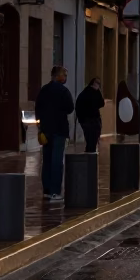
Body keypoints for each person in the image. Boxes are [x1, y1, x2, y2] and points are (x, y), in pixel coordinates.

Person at [35, 66, 74, 201]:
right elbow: (70, 108)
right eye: (65, 75)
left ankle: (46, 190)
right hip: (59, 130)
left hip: (46, 130)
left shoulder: (43, 90)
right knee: (57, 161)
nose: (66, 78)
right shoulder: (63, 91)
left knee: (47, 160)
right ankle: (55, 192)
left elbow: (37, 109)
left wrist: (40, 127)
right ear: (58, 76)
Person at [75, 77, 104, 153]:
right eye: (97, 82)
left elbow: (101, 103)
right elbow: (100, 103)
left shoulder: (89, 92)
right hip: (90, 120)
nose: (98, 85)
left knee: (90, 139)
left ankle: (89, 153)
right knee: (92, 138)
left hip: (88, 120)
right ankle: (90, 155)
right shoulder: (89, 93)